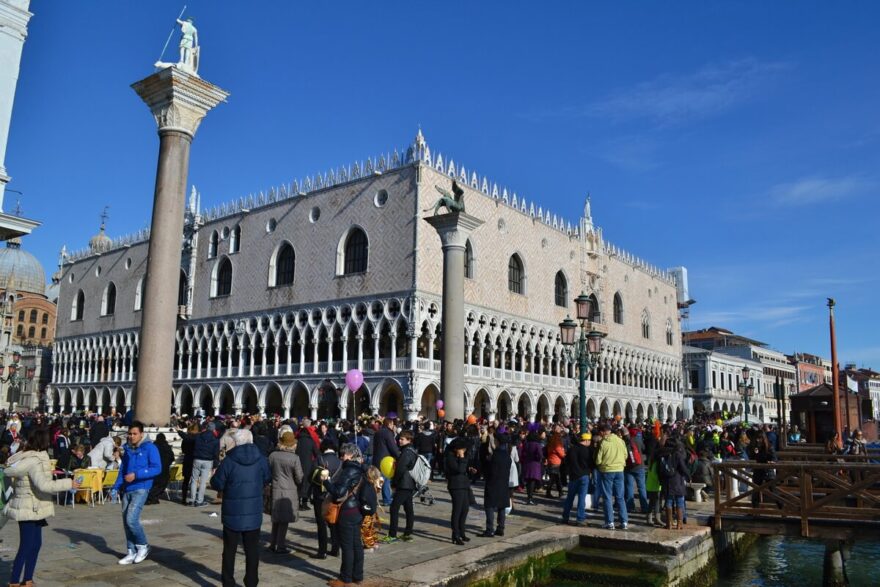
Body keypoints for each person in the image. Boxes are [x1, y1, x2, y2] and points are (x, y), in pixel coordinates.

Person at [5, 428, 81, 587]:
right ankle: (13, 582)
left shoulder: (28, 458)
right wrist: (68, 483)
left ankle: (27, 580)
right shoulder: (34, 461)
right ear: (43, 442)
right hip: (29, 507)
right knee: (26, 546)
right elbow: (43, 485)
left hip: (36, 506)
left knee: (35, 544)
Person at [210, 428, 272, 587]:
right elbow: (267, 478)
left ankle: (228, 582)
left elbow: (216, 483)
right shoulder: (261, 459)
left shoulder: (228, 461)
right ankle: (251, 582)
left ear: (236, 442)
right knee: (252, 550)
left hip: (232, 512)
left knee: (229, 550)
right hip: (253, 512)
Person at [112, 421, 162, 565]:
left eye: (134, 434)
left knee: (131, 519)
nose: (132, 436)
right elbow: (123, 470)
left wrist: (137, 474)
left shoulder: (150, 448)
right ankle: (131, 551)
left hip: (141, 487)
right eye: (130, 433)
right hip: (127, 488)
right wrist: (115, 487)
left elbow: (157, 468)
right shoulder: (127, 449)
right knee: (125, 521)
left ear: (141, 434)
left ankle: (143, 545)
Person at [322, 443, 368, 587]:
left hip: (347, 511)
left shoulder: (349, 470)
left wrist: (327, 482)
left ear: (349, 455)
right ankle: (358, 576)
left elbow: (339, 492)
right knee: (356, 545)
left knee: (347, 546)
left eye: (343, 455)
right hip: (357, 510)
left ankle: (345, 578)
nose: (341, 458)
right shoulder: (361, 469)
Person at [268, 431, 304, 554]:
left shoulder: (273, 455)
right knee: (284, 519)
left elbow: (268, 472)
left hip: (275, 488)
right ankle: (281, 546)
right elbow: (299, 477)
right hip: (289, 489)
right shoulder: (295, 458)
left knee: (276, 518)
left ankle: (273, 543)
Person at [382, 430, 417, 543]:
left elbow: (400, 469)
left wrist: (394, 483)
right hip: (409, 483)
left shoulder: (406, 452)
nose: (399, 441)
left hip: (404, 484)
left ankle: (393, 534)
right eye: (399, 438)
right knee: (408, 508)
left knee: (394, 508)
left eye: (402, 439)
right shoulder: (412, 450)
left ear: (409, 440)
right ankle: (407, 533)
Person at [595, 424, 628, 530]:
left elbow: (598, 460)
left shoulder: (603, 443)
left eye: (600, 432)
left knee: (607, 497)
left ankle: (610, 522)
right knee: (620, 497)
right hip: (619, 470)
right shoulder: (620, 440)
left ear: (604, 432)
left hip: (607, 471)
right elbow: (626, 455)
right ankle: (624, 522)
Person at [313, 439, 341, 559]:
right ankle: (335, 548)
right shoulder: (340, 461)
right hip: (334, 495)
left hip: (321, 495)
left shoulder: (319, 459)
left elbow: (312, 477)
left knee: (321, 523)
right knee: (333, 521)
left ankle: (322, 551)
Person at [480, 432, 512, 537]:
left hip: (493, 483)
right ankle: (500, 528)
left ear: (497, 442)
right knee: (501, 506)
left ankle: (490, 529)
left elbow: (489, 471)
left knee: (489, 505)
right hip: (504, 483)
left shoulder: (494, 456)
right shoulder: (507, 456)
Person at [561, 432, 593, 526]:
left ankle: (565, 517)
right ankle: (580, 518)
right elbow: (591, 464)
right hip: (584, 476)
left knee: (569, 498)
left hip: (573, 476)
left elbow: (566, 462)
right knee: (581, 498)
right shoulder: (587, 451)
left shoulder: (572, 449)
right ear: (586, 440)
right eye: (589, 440)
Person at [445, 436, 471, 545]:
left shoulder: (460, 455)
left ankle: (462, 532)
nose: (464, 451)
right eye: (463, 449)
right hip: (456, 486)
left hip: (464, 484)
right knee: (457, 510)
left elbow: (463, 468)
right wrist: (461, 457)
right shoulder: (450, 457)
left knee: (465, 509)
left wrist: (469, 469)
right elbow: (459, 469)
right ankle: (455, 535)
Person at [188, 422, 220, 506]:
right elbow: (216, 453)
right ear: (213, 429)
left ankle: (192, 499)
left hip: (197, 459)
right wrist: (215, 464)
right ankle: (199, 501)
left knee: (194, 480)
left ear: (206, 427)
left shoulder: (198, 436)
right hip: (208, 461)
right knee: (203, 482)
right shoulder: (216, 439)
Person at [370, 417, 399, 506]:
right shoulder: (388, 433)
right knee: (385, 480)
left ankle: (372, 499)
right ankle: (386, 499)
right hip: (385, 460)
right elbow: (392, 447)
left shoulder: (378, 432)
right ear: (390, 424)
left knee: (376, 480)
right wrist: (399, 456)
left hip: (377, 458)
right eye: (392, 424)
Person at [296, 419, 321, 511]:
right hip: (308, 463)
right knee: (307, 482)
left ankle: (298, 502)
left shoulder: (297, 440)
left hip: (297, 462)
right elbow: (317, 452)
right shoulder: (310, 441)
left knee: (298, 482)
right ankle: (304, 503)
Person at [147, 433, 175, 505]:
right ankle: (152, 497)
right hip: (164, 469)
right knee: (162, 484)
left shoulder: (154, 446)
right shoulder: (167, 447)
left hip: (155, 468)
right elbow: (172, 457)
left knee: (155, 484)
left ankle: (152, 497)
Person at [361, 466, 383, 552]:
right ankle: (371, 543)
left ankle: (370, 544)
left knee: (368, 528)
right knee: (368, 528)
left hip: (369, 510)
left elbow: (365, 498)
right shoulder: (370, 485)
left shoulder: (369, 485)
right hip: (370, 510)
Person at [520, 432, 544, 505]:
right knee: (532, 482)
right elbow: (540, 455)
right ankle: (530, 498)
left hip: (527, 464)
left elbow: (522, 454)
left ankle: (529, 497)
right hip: (535, 464)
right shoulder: (537, 445)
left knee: (528, 482)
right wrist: (539, 459)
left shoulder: (526, 444)